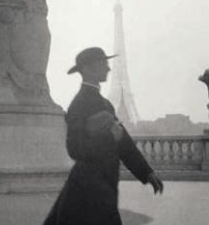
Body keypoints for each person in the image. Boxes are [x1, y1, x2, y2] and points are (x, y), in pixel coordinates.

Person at [43, 47, 163, 225]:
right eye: (103, 64)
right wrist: (109, 139)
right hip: (90, 185)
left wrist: (146, 172)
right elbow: (74, 148)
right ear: (88, 68)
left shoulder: (102, 103)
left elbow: (123, 142)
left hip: (99, 182)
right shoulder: (79, 105)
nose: (108, 69)